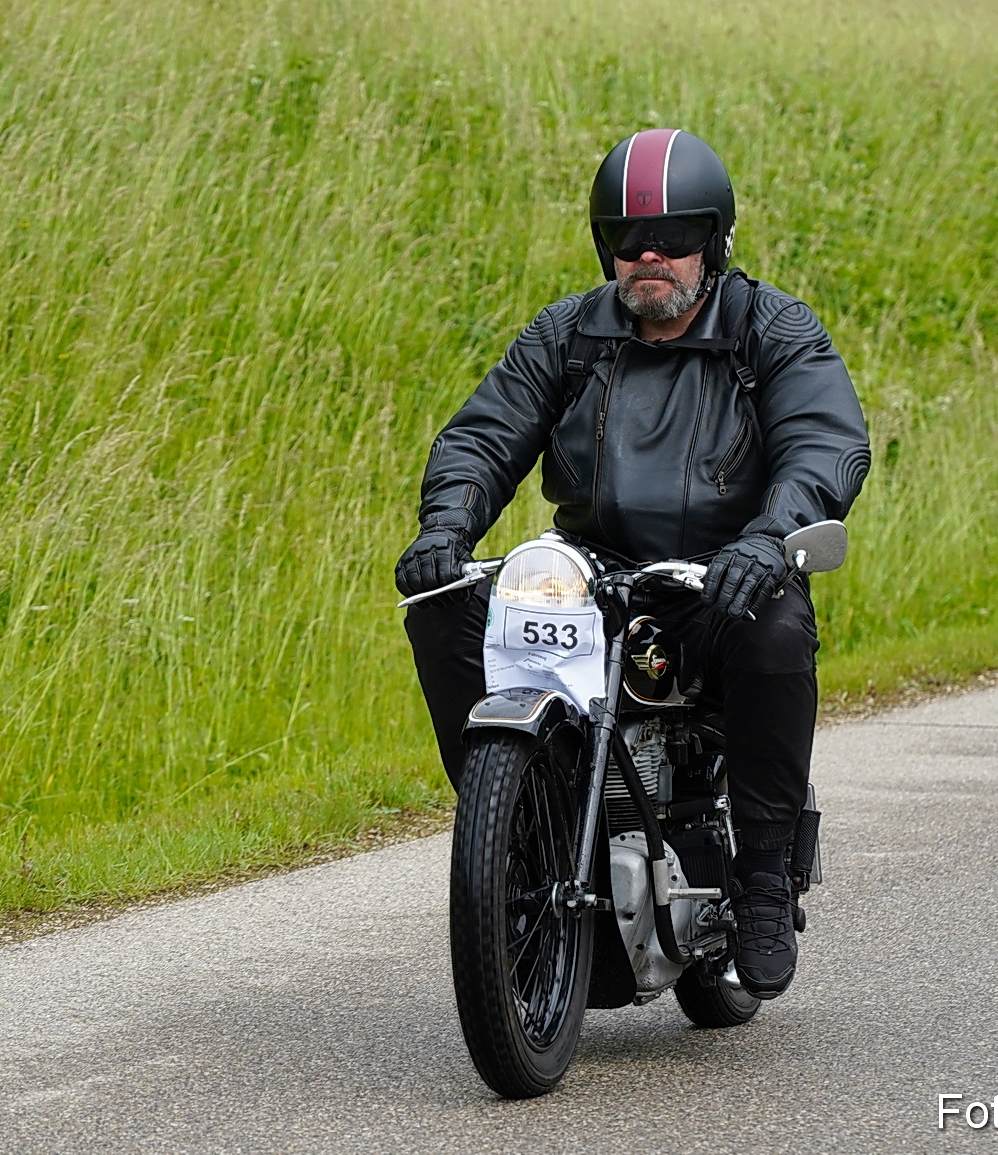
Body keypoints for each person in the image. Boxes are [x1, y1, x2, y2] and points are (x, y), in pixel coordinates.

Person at [396, 129, 870, 999]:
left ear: (714, 242)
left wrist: (770, 541)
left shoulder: (774, 330)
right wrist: (446, 526)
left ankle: (763, 877)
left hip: (721, 573)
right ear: (604, 245)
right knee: (443, 604)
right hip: (591, 571)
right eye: (627, 238)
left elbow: (823, 446)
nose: (650, 255)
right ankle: (511, 832)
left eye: (674, 236)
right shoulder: (570, 332)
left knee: (774, 627)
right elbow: (485, 434)